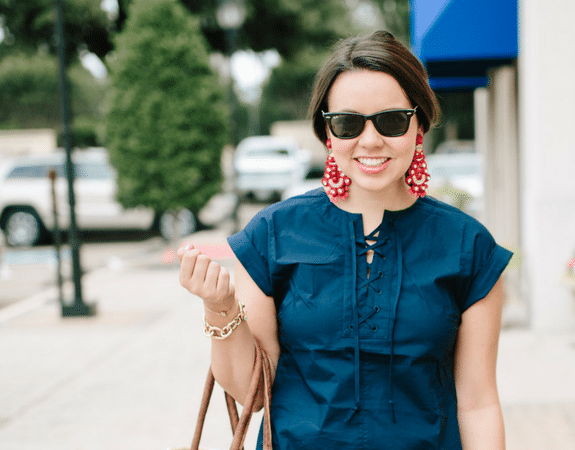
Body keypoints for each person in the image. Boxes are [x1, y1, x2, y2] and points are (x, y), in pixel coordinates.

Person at [178, 30, 512, 449]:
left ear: (419, 125)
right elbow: (253, 394)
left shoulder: (470, 247)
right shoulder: (271, 235)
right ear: (327, 132)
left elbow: (478, 402)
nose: (370, 140)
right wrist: (219, 306)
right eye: (349, 123)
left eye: (392, 120)